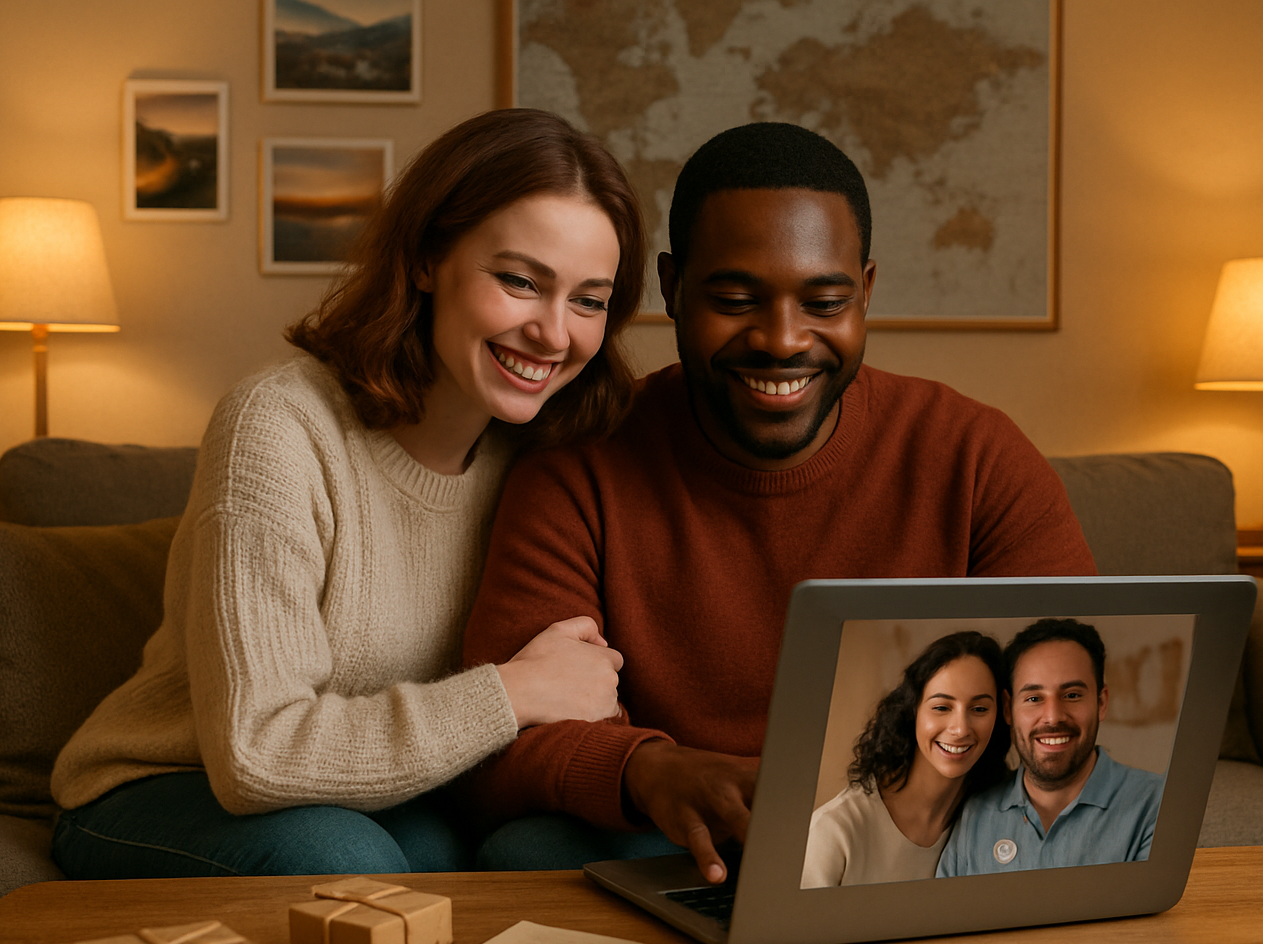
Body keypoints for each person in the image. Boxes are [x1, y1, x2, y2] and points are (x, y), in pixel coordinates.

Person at [459, 121, 1098, 883]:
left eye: (824, 301)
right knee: (527, 852)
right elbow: (502, 741)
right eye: (734, 298)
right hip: (675, 844)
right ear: (672, 288)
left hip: (918, 844)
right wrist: (648, 769)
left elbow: (1072, 705)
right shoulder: (578, 464)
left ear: (864, 290)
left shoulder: (976, 457)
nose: (782, 340)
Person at [48, 108, 648, 879]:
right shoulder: (279, 427)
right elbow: (254, 754)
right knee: (350, 859)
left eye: (589, 300)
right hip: (166, 788)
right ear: (429, 257)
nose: (554, 334)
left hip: (367, 799)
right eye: (521, 281)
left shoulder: (541, 458)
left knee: (485, 854)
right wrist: (511, 693)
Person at [936, 618, 1164, 876]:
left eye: (1072, 695)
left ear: (1101, 702)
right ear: (1008, 708)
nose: (1053, 717)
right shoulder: (974, 813)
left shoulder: (1159, 804)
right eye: (1034, 698)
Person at [801, 632, 1010, 888]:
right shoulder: (832, 831)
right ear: (912, 711)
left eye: (979, 709)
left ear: (1001, 715)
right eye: (941, 707)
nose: (960, 729)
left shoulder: (992, 819)